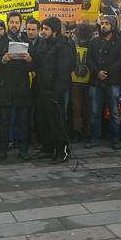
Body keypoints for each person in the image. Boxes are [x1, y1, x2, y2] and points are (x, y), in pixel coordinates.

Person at [0, 12, 33, 161]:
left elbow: (34, 65)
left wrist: (29, 60)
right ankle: (1, 150)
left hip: (22, 87)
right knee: (4, 121)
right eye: (12, 22)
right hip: (5, 87)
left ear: (21, 24)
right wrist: (3, 60)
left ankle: (23, 150)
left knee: (23, 122)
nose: (14, 25)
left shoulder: (26, 40)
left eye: (17, 22)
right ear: (8, 23)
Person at [34, 16, 75, 163]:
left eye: (46, 29)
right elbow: (38, 64)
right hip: (43, 89)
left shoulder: (64, 46)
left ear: (55, 31)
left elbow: (64, 72)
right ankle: (47, 148)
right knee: (43, 121)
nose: (43, 32)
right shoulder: (44, 44)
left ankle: (62, 151)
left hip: (55, 91)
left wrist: (56, 92)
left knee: (57, 123)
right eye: (43, 28)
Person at [86, 15, 121, 150]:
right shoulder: (94, 41)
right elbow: (88, 60)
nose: (103, 25)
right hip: (96, 81)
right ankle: (94, 138)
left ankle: (115, 139)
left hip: (113, 81)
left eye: (107, 23)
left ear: (113, 26)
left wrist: (106, 72)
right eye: (102, 23)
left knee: (114, 112)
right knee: (94, 112)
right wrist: (97, 72)